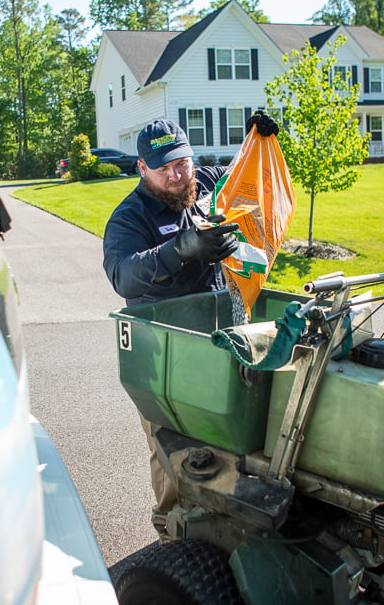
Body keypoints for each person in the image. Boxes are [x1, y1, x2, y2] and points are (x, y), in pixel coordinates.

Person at [102, 113, 278, 539]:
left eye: (183, 164)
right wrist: (180, 249)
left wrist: (261, 137)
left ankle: (214, 528)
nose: (179, 177)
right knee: (172, 449)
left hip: (215, 338)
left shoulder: (204, 185)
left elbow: (244, 172)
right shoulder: (130, 219)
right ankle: (171, 533)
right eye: (164, 170)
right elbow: (122, 274)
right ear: (142, 168)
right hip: (162, 352)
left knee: (221, 440)